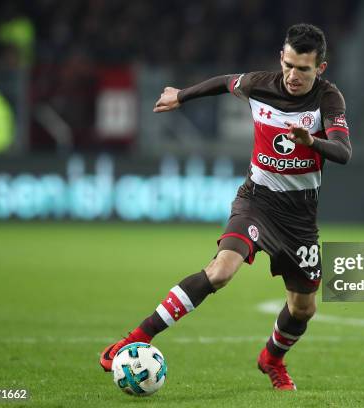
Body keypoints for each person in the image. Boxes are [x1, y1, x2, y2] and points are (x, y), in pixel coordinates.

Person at [99, 23, 351, 390]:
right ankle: (135, 338)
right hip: (257, 202)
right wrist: (181, 96)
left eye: (304, 69)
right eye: (289, 65)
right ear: (281, 57)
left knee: (303, 308)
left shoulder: (328, 100)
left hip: (299, 218)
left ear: (321, 69)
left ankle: (272, 360)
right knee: (220, 271)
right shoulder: (259, 85)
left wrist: (311, 141)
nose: (293, 75)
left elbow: (343, 152)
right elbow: (222, 82)